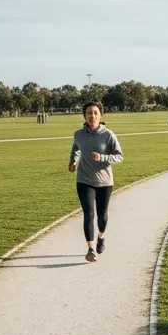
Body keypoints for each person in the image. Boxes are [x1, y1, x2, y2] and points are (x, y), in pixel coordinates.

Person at [68, 101, 124, 262]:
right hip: (84, 180)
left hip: (104, 181)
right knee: (89, 213)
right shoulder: (79, 134)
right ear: (84, 116)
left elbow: (119, 156)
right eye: (88, 113)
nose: (91, 115)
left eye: (95, 113)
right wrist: (73, 161)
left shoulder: (108, 135)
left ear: (100, 115)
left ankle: (101, 237)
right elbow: (76, 148)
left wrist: (103, 157)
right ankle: (91, 249)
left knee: (102, 216)